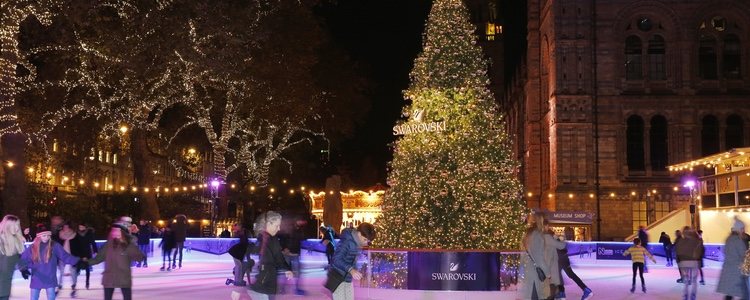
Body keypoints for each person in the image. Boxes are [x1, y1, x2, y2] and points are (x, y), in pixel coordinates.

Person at [19, 230, 84, 300]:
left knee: (51, 297)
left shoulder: (54, 246)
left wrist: (77, 261)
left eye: (48, 236)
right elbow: (23, 259)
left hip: (50, 277)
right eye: (44, 236)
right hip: (37, 277)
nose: (46, 238)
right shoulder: (33, 247)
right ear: (39, 236)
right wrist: (23, 268)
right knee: (34, 298)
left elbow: (64, 256)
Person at [87, 225, 145, 300]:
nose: (115, 232)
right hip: (109, 277)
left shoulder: (128, 245)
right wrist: (84, 263)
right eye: (113, 231)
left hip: (124, 277)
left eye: (118, 230)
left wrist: (140, 254)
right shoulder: (107, 246)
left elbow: (139, 257)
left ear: (123, 233)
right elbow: (98, 259)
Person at [248, 211, 294, 300]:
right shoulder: (268, 239)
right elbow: (277, 257)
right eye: (277, 225)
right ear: (269, 224)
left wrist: (286, 269)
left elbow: (277, 257)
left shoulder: (263, 237)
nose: (279, 229)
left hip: (265, 280)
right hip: (264, 281)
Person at [329, 222, 376, 300]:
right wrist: (351, 270)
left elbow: (350, 259)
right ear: (359, 233)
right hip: (337, 278)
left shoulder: (356, 242)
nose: (365, 243)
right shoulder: (347, 241)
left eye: (367, 241)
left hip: (346, 278)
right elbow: (336, 259)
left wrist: (355, 270)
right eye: (365, 239)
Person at [520, 212, 552, 300]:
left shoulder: (528, 234)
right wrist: (548, 273)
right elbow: (539, 258)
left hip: (529, 270)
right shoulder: (537, 235)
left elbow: (523, 254)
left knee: (531, 295)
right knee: (536, 295)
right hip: (536, 273)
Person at [717, 217, 749, 300]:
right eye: (742, 229)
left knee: (730, 293)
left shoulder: (729, 239)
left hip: (728, 269)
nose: (744, 231)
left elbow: (725, 251)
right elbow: (743, 255)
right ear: (739, 229)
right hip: (737, 270)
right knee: (744, 292)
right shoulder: (738, 240)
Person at [554, 235, 593, 300]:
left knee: (559, 274)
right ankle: (585, 289)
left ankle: (562, 293)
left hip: (559, 259)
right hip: (563, 258)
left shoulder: (551, 240)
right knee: (569, 274)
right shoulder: (557, 240)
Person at [0, 215, 26, 300]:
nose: (17, 228)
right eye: (14, 225)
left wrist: (23, 268)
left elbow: (18, 257)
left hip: (5, 285)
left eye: (17, 225)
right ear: (7, 226)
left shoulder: (16, 242)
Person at [675, 227, 702, 300]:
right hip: (693, 262)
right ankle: (693, 296)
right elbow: (699, 250)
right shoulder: (695, 241)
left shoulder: (681, 241)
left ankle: (685, 296)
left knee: (686, 281)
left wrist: (679, 260)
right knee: (694, 280)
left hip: (684, 262)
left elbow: (678, 251)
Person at [70, 223, 97, 294]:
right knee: (77, 269)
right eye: (79, 227)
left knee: (87, 269)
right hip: (79, 253)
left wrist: (95, 251)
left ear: (85, 227)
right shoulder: (77, 234)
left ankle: (87, 283)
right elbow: (74, 243)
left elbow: (93, 242)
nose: (80, 228)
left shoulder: (89, 233)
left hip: (87, 253)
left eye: (82, 227)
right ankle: (74, 284)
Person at [282, 219, 307, 295]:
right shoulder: (288, 231)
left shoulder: (299, 231)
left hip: (294, 254)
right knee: (289, 272)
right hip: (289, 254)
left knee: (294, 272)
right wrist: (284, 248)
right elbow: (283, 240)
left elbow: (302, 238)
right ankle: (285, 289)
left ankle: (294, 289)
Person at [543, 228, 565, 300]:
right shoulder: (548, 238)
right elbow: (562, 246)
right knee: (551, 289)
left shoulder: (542, 238)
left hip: (547, 267)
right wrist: (562, 238)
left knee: (549, 288)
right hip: (550, 268)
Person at [56, 222, 76, 293]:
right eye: (64, 227)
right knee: (61, 271)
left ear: (69, 227)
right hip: (62, 255)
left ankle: (74, 284)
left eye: (66, 226)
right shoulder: (60, 235)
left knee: (73, 271)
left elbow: (77, 246)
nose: (65, 228)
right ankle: (60, 284)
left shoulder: (73, 235)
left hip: (71, 255)